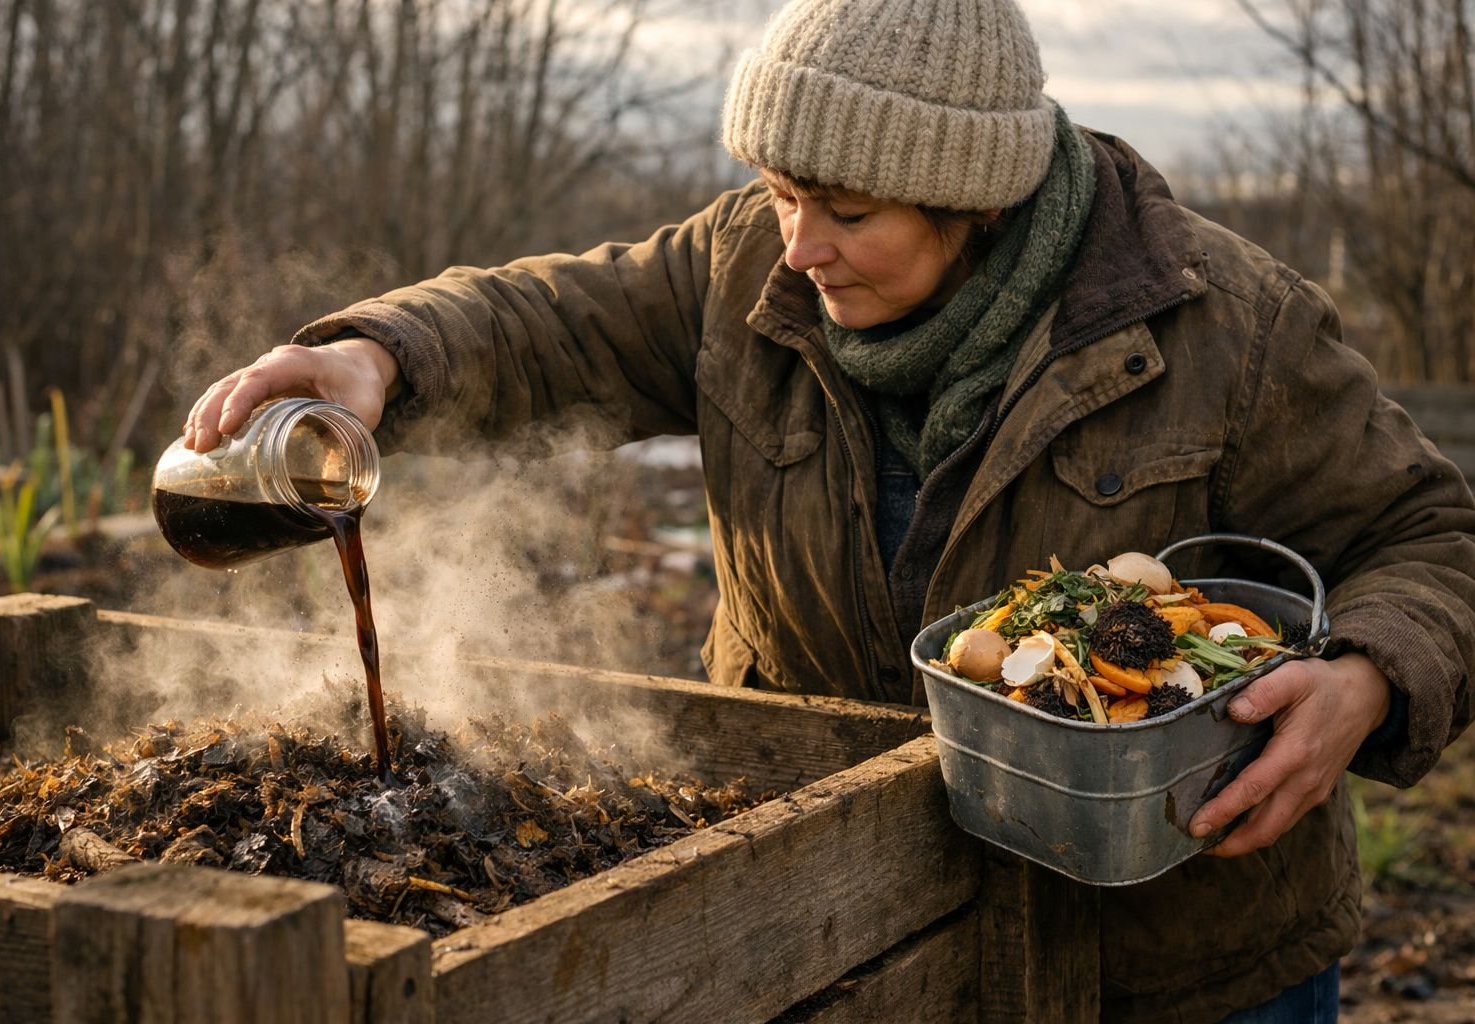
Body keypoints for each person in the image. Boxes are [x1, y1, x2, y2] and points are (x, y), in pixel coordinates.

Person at [182, 0, 1475, 1019]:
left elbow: (1431, 541)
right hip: (834, 932)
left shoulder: (1223, 323)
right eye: (785, 196)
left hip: (1171, 967)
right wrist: (380, 357)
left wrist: (1366, 677)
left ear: (977, 201)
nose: (796, 246)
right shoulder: (752, 262)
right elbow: (551, 321)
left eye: (846, 214)